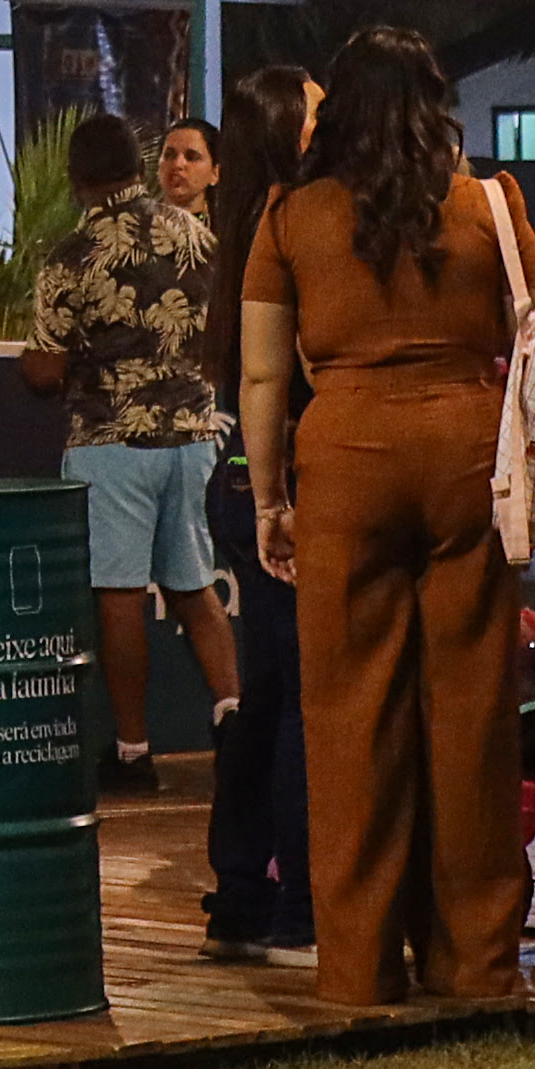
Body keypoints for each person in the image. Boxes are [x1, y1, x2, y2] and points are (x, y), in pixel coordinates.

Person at [245, 26, 534, 1008]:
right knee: (472, 715)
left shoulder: (291, 215)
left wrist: (270, 499)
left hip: (347, 463)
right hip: (468, 458)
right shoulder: (489, 204)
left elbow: (263, 375)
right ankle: (477, 961)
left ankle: (361, 966)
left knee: (350, 716)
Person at [22, 109, 239, 791]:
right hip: (194, 439)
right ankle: (234, 724)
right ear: (140, 167)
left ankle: (133, 752)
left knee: (119, 598)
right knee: (194, 588)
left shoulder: (72, 256)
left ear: (76, 177)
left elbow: (45, 370)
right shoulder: (197, 235)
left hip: (112, 444)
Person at [193, 69, 317, 961]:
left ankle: (242, 892)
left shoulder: (239, 226)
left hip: (243, 476)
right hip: (281, 483)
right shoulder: (292, 228)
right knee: (299, 698)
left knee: (266, 694)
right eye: (318, 111)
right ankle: (303, 904)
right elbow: (279, 373)